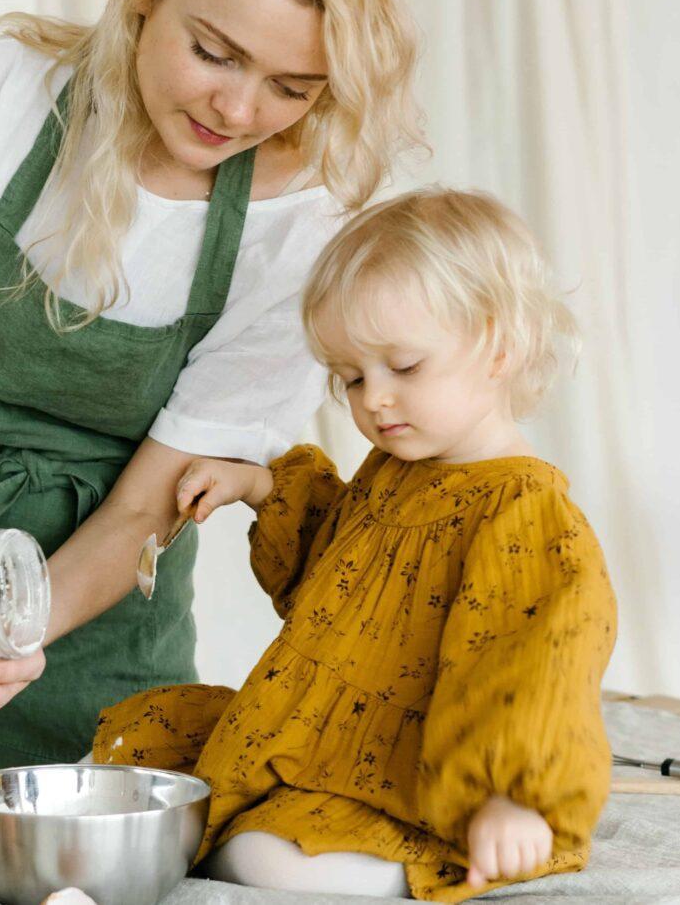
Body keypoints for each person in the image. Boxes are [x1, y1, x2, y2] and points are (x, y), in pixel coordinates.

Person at [0, 0, 426, 841]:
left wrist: (17, 633)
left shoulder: (307, 226)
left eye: (294, 88)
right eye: (214, 52)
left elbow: (147, 504)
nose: (240, 108)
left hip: (93, 617)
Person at [91, 189, 618, 901]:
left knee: (266, 859)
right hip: (328, 737)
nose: (374, 400)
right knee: (137, 762)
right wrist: (255, 485)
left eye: (403, 367)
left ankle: (445, 851)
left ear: (499, 345)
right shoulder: (397, 470)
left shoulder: (524, 513)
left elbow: (537, 666)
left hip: (416, 773)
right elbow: (332, 584)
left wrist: (510, 797)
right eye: (352, 378)